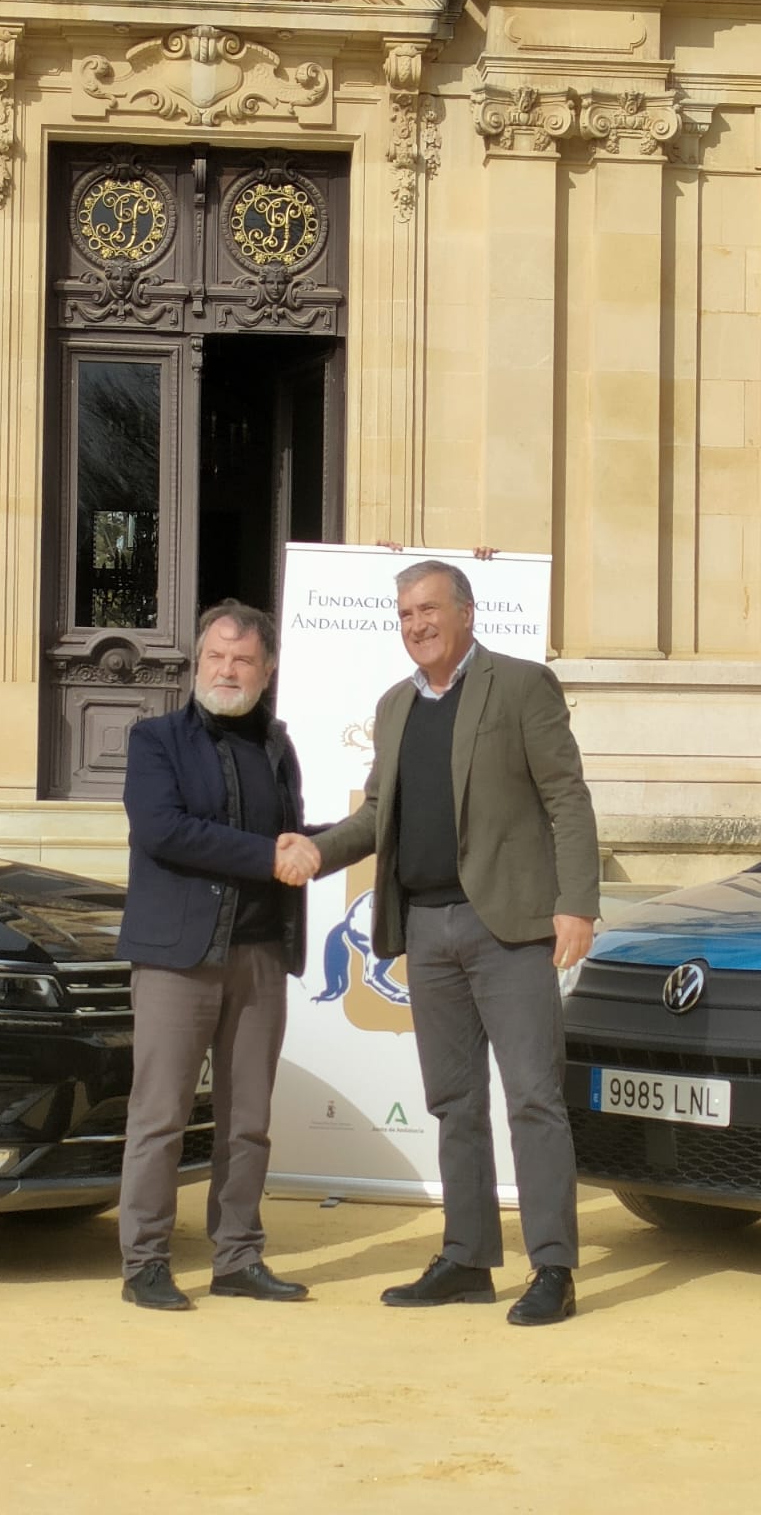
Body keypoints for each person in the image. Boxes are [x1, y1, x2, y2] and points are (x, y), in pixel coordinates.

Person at [305, 559, 598, 1325]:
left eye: (428, 609)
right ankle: (468, 1257)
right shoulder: (396, 705)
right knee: (454, 1102)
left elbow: (566, 796)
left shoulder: (521, 686)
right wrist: (317, 852)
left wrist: (578, 905)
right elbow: (377, 816)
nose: (416, 625)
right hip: (425, 928)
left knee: (534, 1098)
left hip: (510, 925)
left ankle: (553, 1269)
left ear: (466, 612)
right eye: (404, 614)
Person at [115, 600, 323, 1311]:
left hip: (260, 953)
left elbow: (292, 839)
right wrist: (270, 855)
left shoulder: (278, 748)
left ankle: (237, 1256)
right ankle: (144, 1262)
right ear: (196, 664)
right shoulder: (154, 740)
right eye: (215, 657)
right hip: (177, 956)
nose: (227, 670)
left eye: (243, 660)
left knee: (247, 1119)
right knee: (161, 1115)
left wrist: (343, 838)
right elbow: (163, 831)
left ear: (267, 672)